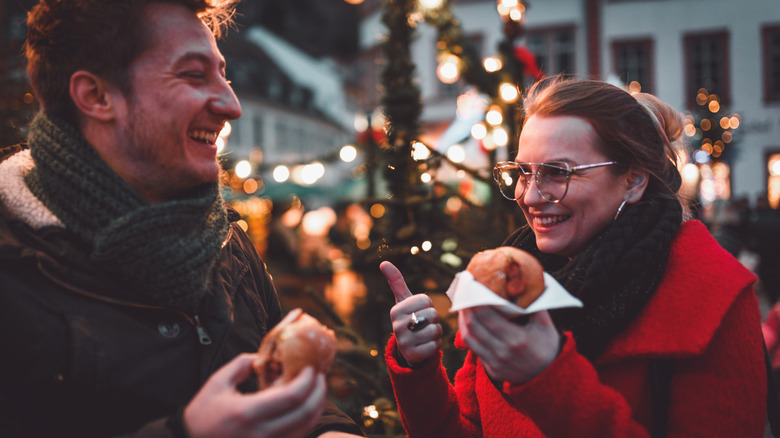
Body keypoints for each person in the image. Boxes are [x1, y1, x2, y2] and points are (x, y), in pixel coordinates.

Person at [0, 1, 365, 437]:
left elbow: (279, 397)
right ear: (97, 97)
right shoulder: (16, 266)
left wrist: (328, 430)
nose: (232, 105)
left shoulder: (227, 241)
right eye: (194, 74)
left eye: (224, 74)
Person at [380, 77, 767, 437]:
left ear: (633, 180)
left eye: (557, 173)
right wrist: (419, 368)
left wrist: (548, 376)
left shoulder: (711, 294)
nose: (529, 196)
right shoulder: (506, 281)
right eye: (523, 172)